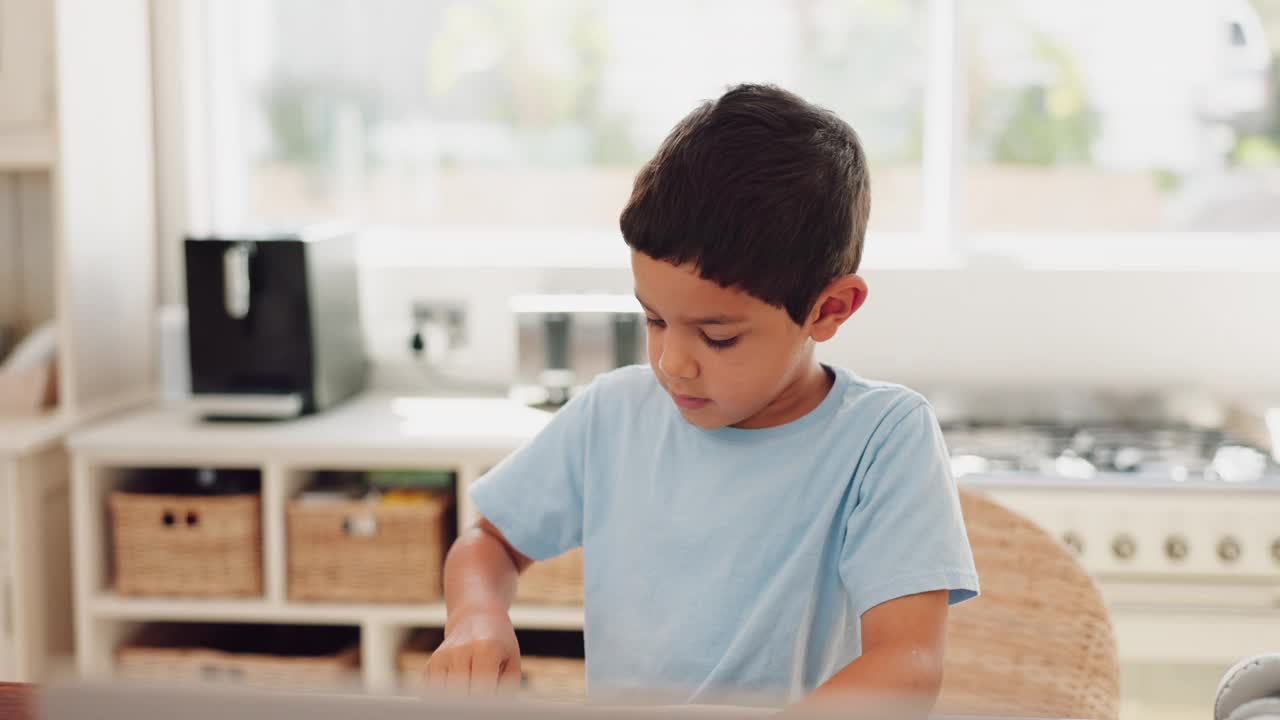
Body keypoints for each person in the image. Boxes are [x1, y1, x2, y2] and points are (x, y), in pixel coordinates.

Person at [426, 84, 979, 711]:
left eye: (717, 337)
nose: (671, 363)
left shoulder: (883, 438)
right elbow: (487, 544)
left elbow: (906, 665)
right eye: (655, 320)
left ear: (829, 309)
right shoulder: (612, 416)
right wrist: (476, 616)